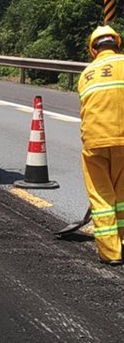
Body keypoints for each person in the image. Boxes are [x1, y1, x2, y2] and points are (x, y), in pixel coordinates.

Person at [77, 25, 124, 265]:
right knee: (122, 195)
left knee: (102, 197)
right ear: (118, 44)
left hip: (95, 142)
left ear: (94, 50)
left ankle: (111, 252)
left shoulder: (86, 74)